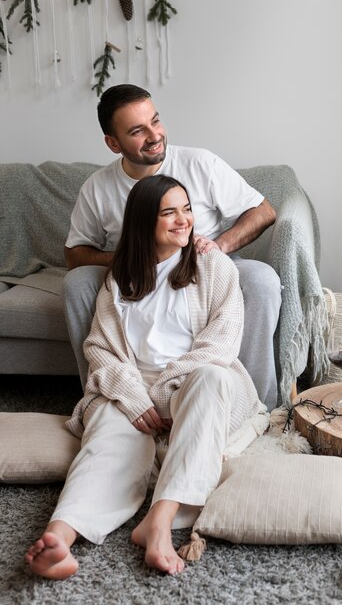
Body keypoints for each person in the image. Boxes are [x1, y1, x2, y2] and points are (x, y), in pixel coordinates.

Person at [25, 175, 265, 578]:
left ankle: (159, 522)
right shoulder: (121, 278)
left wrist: (165, 391)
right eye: (169, 212)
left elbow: (222, 344)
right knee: (107, 436)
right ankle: (59, 538)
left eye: (187, 209)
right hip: (134, 388)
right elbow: (100, 348)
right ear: (143, 221)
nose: (183, 220)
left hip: (194, 381)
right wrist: (134, 397)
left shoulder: (213, 265)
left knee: (212, 379)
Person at [63, 84, 282, 411]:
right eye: (138, 131)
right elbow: (75, 254)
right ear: (113, 143)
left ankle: (260, 406)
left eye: (156, 121)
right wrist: (134, 259)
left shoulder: (200, 163)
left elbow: (264, 211)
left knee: (262, 280)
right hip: (137, 278)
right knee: (76, 283)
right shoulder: (97, 189)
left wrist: (218, 246)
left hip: (205, 270)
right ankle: (106, 398)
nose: (155, 135)